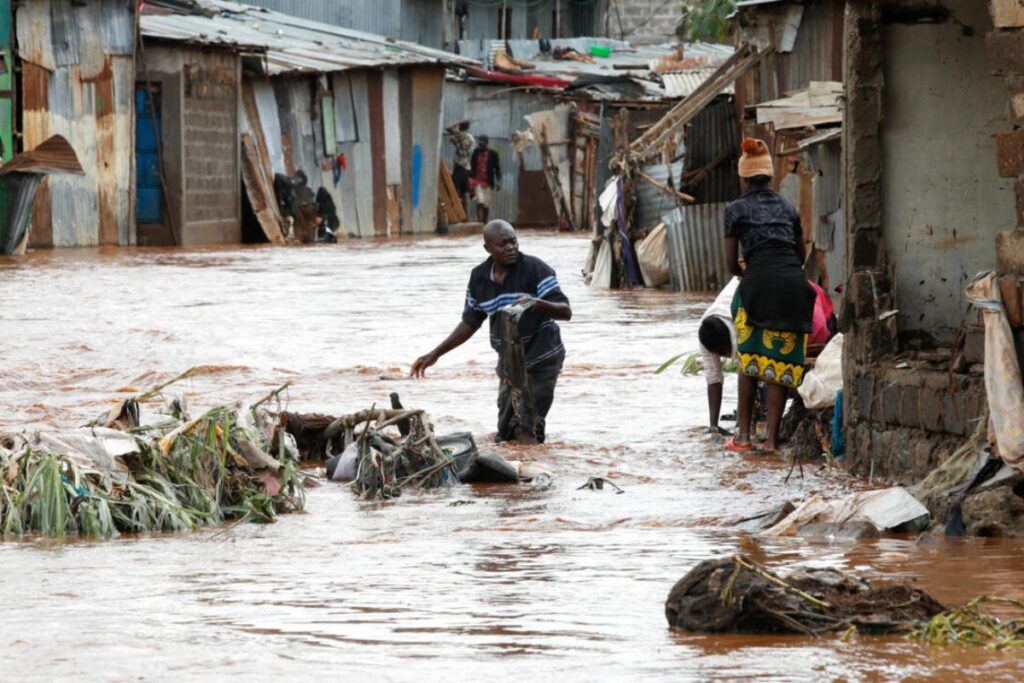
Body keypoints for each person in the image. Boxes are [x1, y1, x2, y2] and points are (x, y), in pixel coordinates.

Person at [411, 220, 571, 444]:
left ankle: (533, 471)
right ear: (488, 248)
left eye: (513, 241)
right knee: (504, 434)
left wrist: (538, 303)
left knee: (527, 426)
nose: (511, 248)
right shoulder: (479, 278)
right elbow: (470, 322)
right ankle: (514, 469)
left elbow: (565, 311)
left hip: (543, 357)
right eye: (503, 244)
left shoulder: (535, 269)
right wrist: (435, 353)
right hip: (509, 363)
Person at [723, 138, 817, 453]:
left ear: (744, 177)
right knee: (780, 367)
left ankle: (745, 438)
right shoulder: (788, 207)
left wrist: (751, 272)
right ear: (768, 174)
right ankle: (773, 442)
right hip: (794, 286)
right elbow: (801, 254)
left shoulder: (735, 209)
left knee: (749, 362)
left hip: (757, 286)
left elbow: (729, 265)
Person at [699, 277, 836, 437]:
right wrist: (713, 427)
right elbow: (713, 379)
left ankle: (760, 430)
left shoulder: (741, 323)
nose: (728, 356)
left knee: (765, 368)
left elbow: (748, 372)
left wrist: (740, 427)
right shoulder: (706, 334)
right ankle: (753, 429)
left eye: (726, 351)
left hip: (802, 302)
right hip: (771, 296)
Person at [469, 135, 501, 223]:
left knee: (486, 205)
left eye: (482, 145)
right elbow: (471, 165)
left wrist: (498, 181)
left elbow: (497, 169)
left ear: (487, 144)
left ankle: (485, 222)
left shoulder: (493, 154)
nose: (481, 147)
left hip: (488, 183)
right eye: (480, 145)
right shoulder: (475, 153)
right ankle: (479, 223)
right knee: (480, 202)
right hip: (476, 181)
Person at [445, 120, 474, 212]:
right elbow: (452, 139)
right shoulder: (468, 137)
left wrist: (457, 123)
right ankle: (465, 213)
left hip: (461, 166)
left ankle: (457, 210)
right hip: (466, 167)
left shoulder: (463, 136)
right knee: (464, 190)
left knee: (454, 187)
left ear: (460, 127)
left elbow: (448, 129)